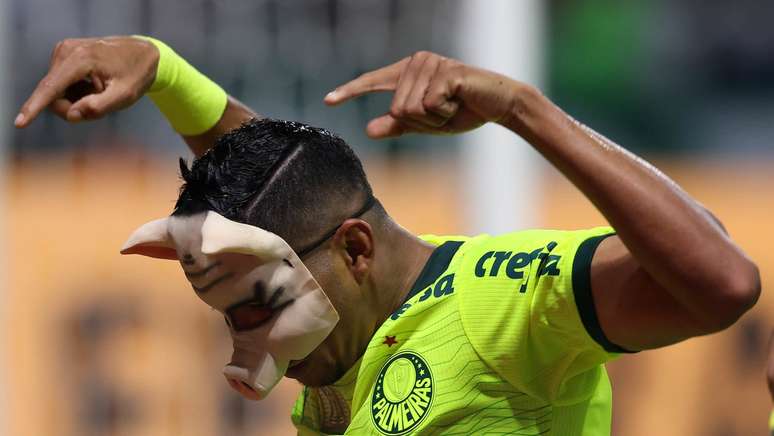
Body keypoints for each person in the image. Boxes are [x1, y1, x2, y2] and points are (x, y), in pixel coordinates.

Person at [15, 35, 761, 436]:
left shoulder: (500, 302)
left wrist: (523, 111)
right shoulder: (339, 307)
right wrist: (165, 72)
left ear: (356, 250)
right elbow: (284, 187)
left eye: (257, 314)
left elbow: (721, 283)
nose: (247, 358)